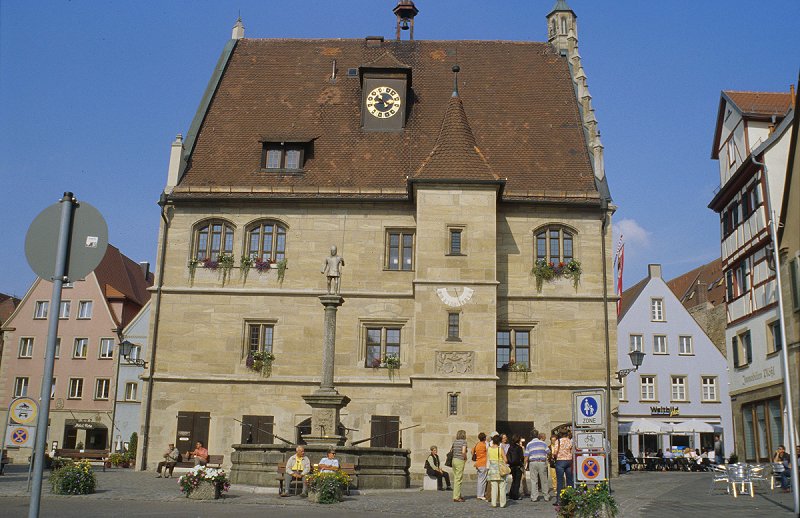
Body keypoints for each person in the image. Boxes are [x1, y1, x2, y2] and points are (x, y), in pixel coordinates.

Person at [526, 431, 551, 502]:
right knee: (544, 480)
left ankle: (534, 497)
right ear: (537, 435)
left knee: (534, 480)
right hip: (542, 462)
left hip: (533, 462)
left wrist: (525, 464)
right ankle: (546, 496)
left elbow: (526, 455)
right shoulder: (543, 443)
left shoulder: (529, 444)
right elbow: (548, 452)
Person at [553, 430, 573, 507]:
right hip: (569, 461)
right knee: (569, 480)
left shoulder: (558, 441)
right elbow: (572, 451)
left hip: (560, 461)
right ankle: (570, 498)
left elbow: (555, 452)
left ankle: (559, 500)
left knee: (560, 481)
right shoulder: (570, 441)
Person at [487, 434, 508, 508]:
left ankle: (494, 503)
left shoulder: (489, 449)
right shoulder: (500, 449)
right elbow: (505, 460)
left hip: (492, 469)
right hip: (500, 469)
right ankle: (502, 503)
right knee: (502, 487)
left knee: (494, 487)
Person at [450, 430, 468, 502]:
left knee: (456, 478)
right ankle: (456, 497)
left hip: (454, 460)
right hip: (460, 460)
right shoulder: (464, 442)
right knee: (458, 479)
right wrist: (465, 458)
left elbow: (451, 450)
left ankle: (458, 494)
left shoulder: (455, 441)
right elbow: (463, 452)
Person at [506, 434, 524, 500]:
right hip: (518, 466)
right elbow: (522, 457)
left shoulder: (510, 447)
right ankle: (515, 495)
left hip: (512, 466)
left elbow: (508, 456)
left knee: (514, 480)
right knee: (517, 481)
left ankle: (511, 493)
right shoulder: (519, 448)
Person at [474, 432, 488, 501]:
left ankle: (479, 494)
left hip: (478, 463)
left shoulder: (477, 444)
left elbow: (472, 451)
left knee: (480, 479)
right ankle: (481, 495)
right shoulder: (484, 445)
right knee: (483, 480)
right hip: (483, 463)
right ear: (484, 438)